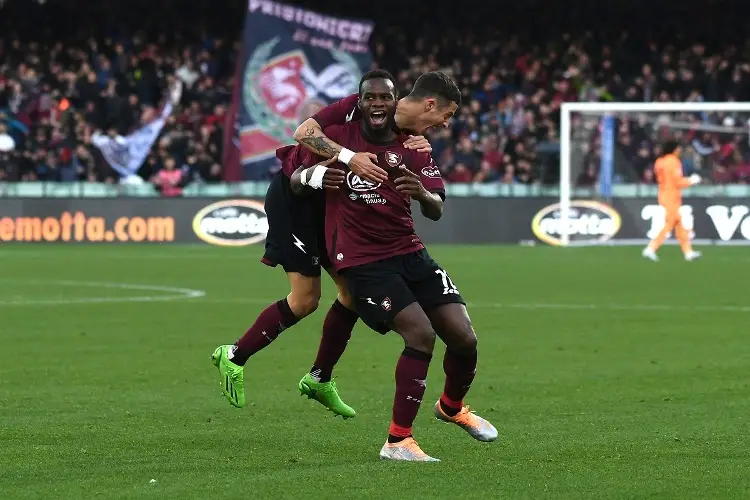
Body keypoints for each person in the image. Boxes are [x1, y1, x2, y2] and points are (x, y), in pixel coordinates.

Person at [293, 72, 496, 462]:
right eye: (448, 114)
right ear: (431, 105)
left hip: (410, 252)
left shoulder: (417, 146)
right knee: (420, 336)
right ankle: (398, 441)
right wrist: (348, 158)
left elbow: (436, 207)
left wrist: (420, 192)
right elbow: (304, 132)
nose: (447, 124)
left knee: (464, 339)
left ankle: (452, 407)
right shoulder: (352, 119)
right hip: (362, 258)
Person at [210, 70, 435, 418]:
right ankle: (234, 355)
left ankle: (319, 378)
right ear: (360, 102)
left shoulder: (398, 130)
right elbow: (299, 170)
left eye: (384, 99)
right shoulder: (340, 126)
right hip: (296, 201)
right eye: (443, 118)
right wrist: (321, 172)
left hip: (329, 205)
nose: (444, 125)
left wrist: (420, 143)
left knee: (351, 294)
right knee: (305, 300)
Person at [642, 139, 702, 262]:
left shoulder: (659, 161)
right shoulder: (673, 162)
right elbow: (677, 182)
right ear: (674, 149)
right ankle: (651, 248)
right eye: (678, 148)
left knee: (679, 224)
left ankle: (688, 252)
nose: (679, 151)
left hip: (663, 194)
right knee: (670, 223)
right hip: (672, 197)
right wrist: (692, 180)